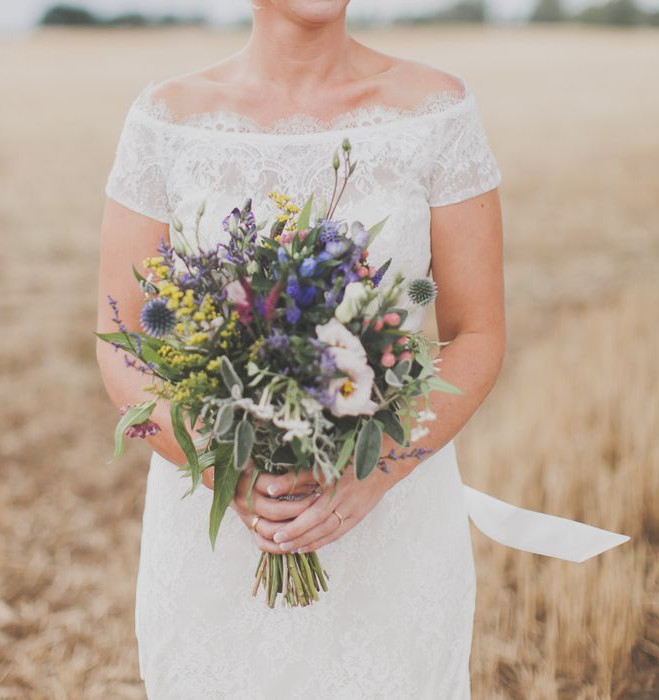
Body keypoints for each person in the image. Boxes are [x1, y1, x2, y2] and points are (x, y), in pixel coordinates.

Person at [96, 2, 630, 697]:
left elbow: (477, 333)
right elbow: (125, 343)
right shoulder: (167, 122)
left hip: (393, 527)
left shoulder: (437, 114)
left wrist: (375, 473)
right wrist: (227, 470)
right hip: (221, 531)